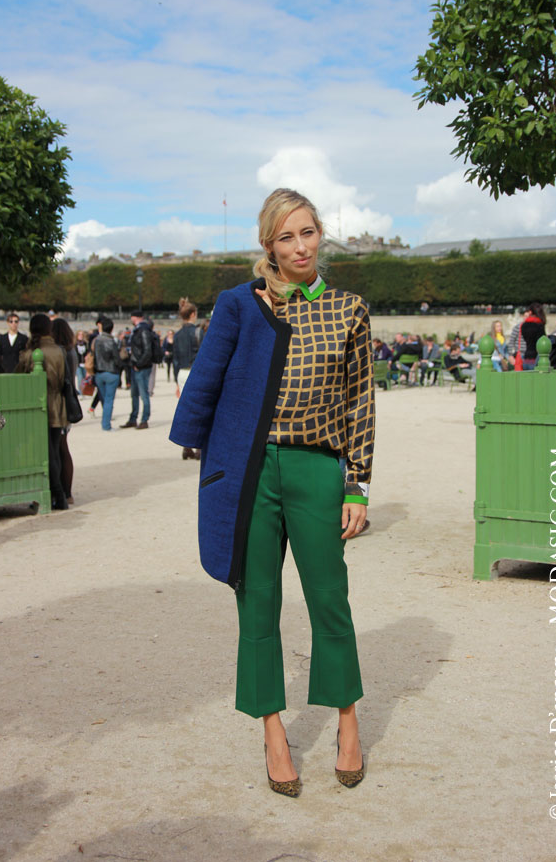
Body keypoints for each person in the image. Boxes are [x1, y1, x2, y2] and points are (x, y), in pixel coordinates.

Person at [170, 188, 375, 796]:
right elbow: (208, 378)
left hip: (317, 467)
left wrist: (357, 483)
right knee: (255, 605)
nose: (300, 245)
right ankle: (274, 733)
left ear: (321, 236)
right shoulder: (243, 305)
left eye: (308, 232)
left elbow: (361, 401)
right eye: (286, 237)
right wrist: (207, 465)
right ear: (269, 246)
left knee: (329, 600)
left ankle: (347, 723)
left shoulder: (348, 309)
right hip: (252, 472)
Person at [17, 313, 68, 510]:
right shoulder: (59, 350)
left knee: (46, 453)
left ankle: (57, 495)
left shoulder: (32, 352)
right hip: (57, 403)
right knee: (55, 450)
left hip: (40, 404)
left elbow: (19, 377)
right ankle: (60, 495)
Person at [51, 318, 78, 503]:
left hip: (59, 404)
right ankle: (66, 493)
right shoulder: (72, 351)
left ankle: (64, 493)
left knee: (60, 448)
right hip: (68, 403)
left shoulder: (61, 352)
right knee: (63, 447)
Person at [121, 310, 153, 429]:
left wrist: (139, 364)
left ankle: (144, 419)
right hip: (136, 366)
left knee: (143, 394)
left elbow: (147, 350)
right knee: (134, 394)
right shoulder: (138, 329)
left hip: (141, 367)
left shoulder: (143, 330)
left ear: (135, 317)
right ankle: (133, 418)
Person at [93, 317, 122, 431]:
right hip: (111, 372)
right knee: (109, 400)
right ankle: (106, 425)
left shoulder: (97, 340)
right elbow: (116, 358)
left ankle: (105, 422)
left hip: (99, 372)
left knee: (104, 399)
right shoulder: (111, 341)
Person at [173, 300, 199, 394]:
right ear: (192, 314)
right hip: (196, 371)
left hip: (182, 372)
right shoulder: (198, 332)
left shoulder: (177, 335)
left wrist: (176, 380)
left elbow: (175, 359)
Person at [514, 302, 546, 371]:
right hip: (536, 357)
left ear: (530, 312)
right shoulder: (539, 325)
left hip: (526, 357)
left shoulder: (524, 325)